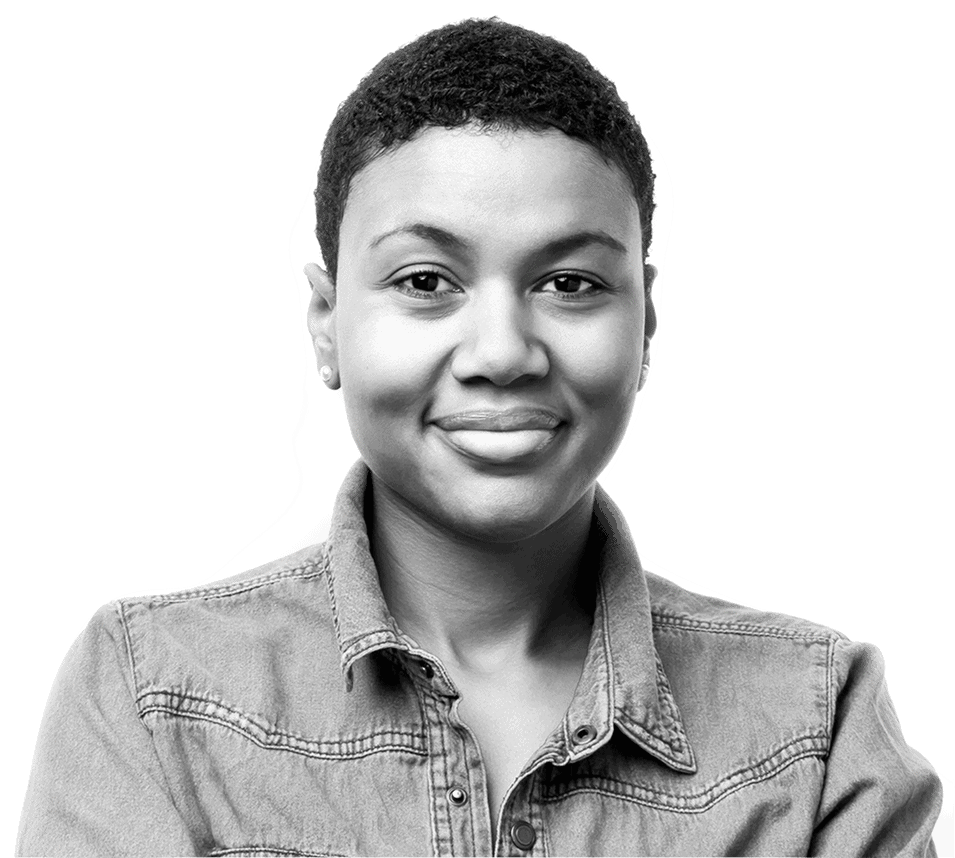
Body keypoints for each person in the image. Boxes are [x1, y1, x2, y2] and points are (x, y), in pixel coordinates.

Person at [16, 17, 939, 857]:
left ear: (645, 325)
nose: (501, 353)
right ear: (327, 323)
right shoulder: (150, 695)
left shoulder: (816, 727)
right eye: (424, 281)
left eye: (570, 283)